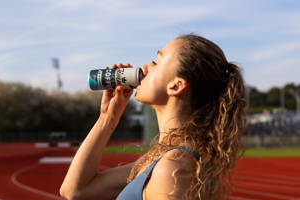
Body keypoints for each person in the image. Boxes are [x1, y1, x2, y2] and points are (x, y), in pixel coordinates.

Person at [60, 34, 247, 200]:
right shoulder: (164, 159)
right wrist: (107, 118)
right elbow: (76, 191)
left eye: (156, 62)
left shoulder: (173, 168)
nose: (144, 67)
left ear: (175, 86)